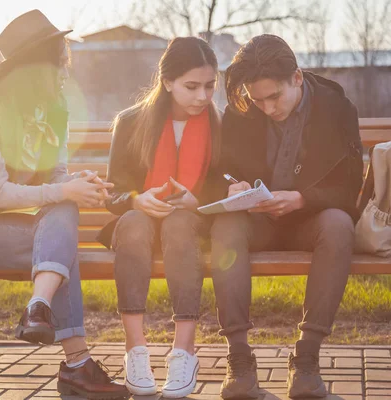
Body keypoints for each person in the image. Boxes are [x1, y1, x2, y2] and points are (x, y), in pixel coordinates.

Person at [0, 10, 129, 399]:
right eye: (59, 63)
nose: (64, 73)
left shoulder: (54, 110)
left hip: (10, 221)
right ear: (33, 67)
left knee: (63, 217)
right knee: (62, 246)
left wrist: (76, 184)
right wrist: (62, 191)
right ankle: (76, 368)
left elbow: (56, 178)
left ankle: (39, 308)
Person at [209, 34, 364, 399]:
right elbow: (219, 171)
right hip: (255, 221)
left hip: (307, 222)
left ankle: (306, 359)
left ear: (296, 77)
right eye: (256, 98)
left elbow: (349, 189)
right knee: (225, 226)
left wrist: (301, 199)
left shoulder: (337, 108)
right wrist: (232, 187)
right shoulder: (242, 107)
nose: (266, 107)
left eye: (274, 96)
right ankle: (240, 361)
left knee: (339, 225)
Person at [98, 37, 221, 398]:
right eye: (191, 86)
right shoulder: (131, 122)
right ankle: (135, 349)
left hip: (191, 223)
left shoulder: (220, 125)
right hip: (140, 222)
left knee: (179, 223)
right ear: (167, 82)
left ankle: (184, 350)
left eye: (210, 86)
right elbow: (113, 191)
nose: (202, 96)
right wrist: (138, 200)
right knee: (134, 224)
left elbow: (224, 186)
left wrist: (195, 200)